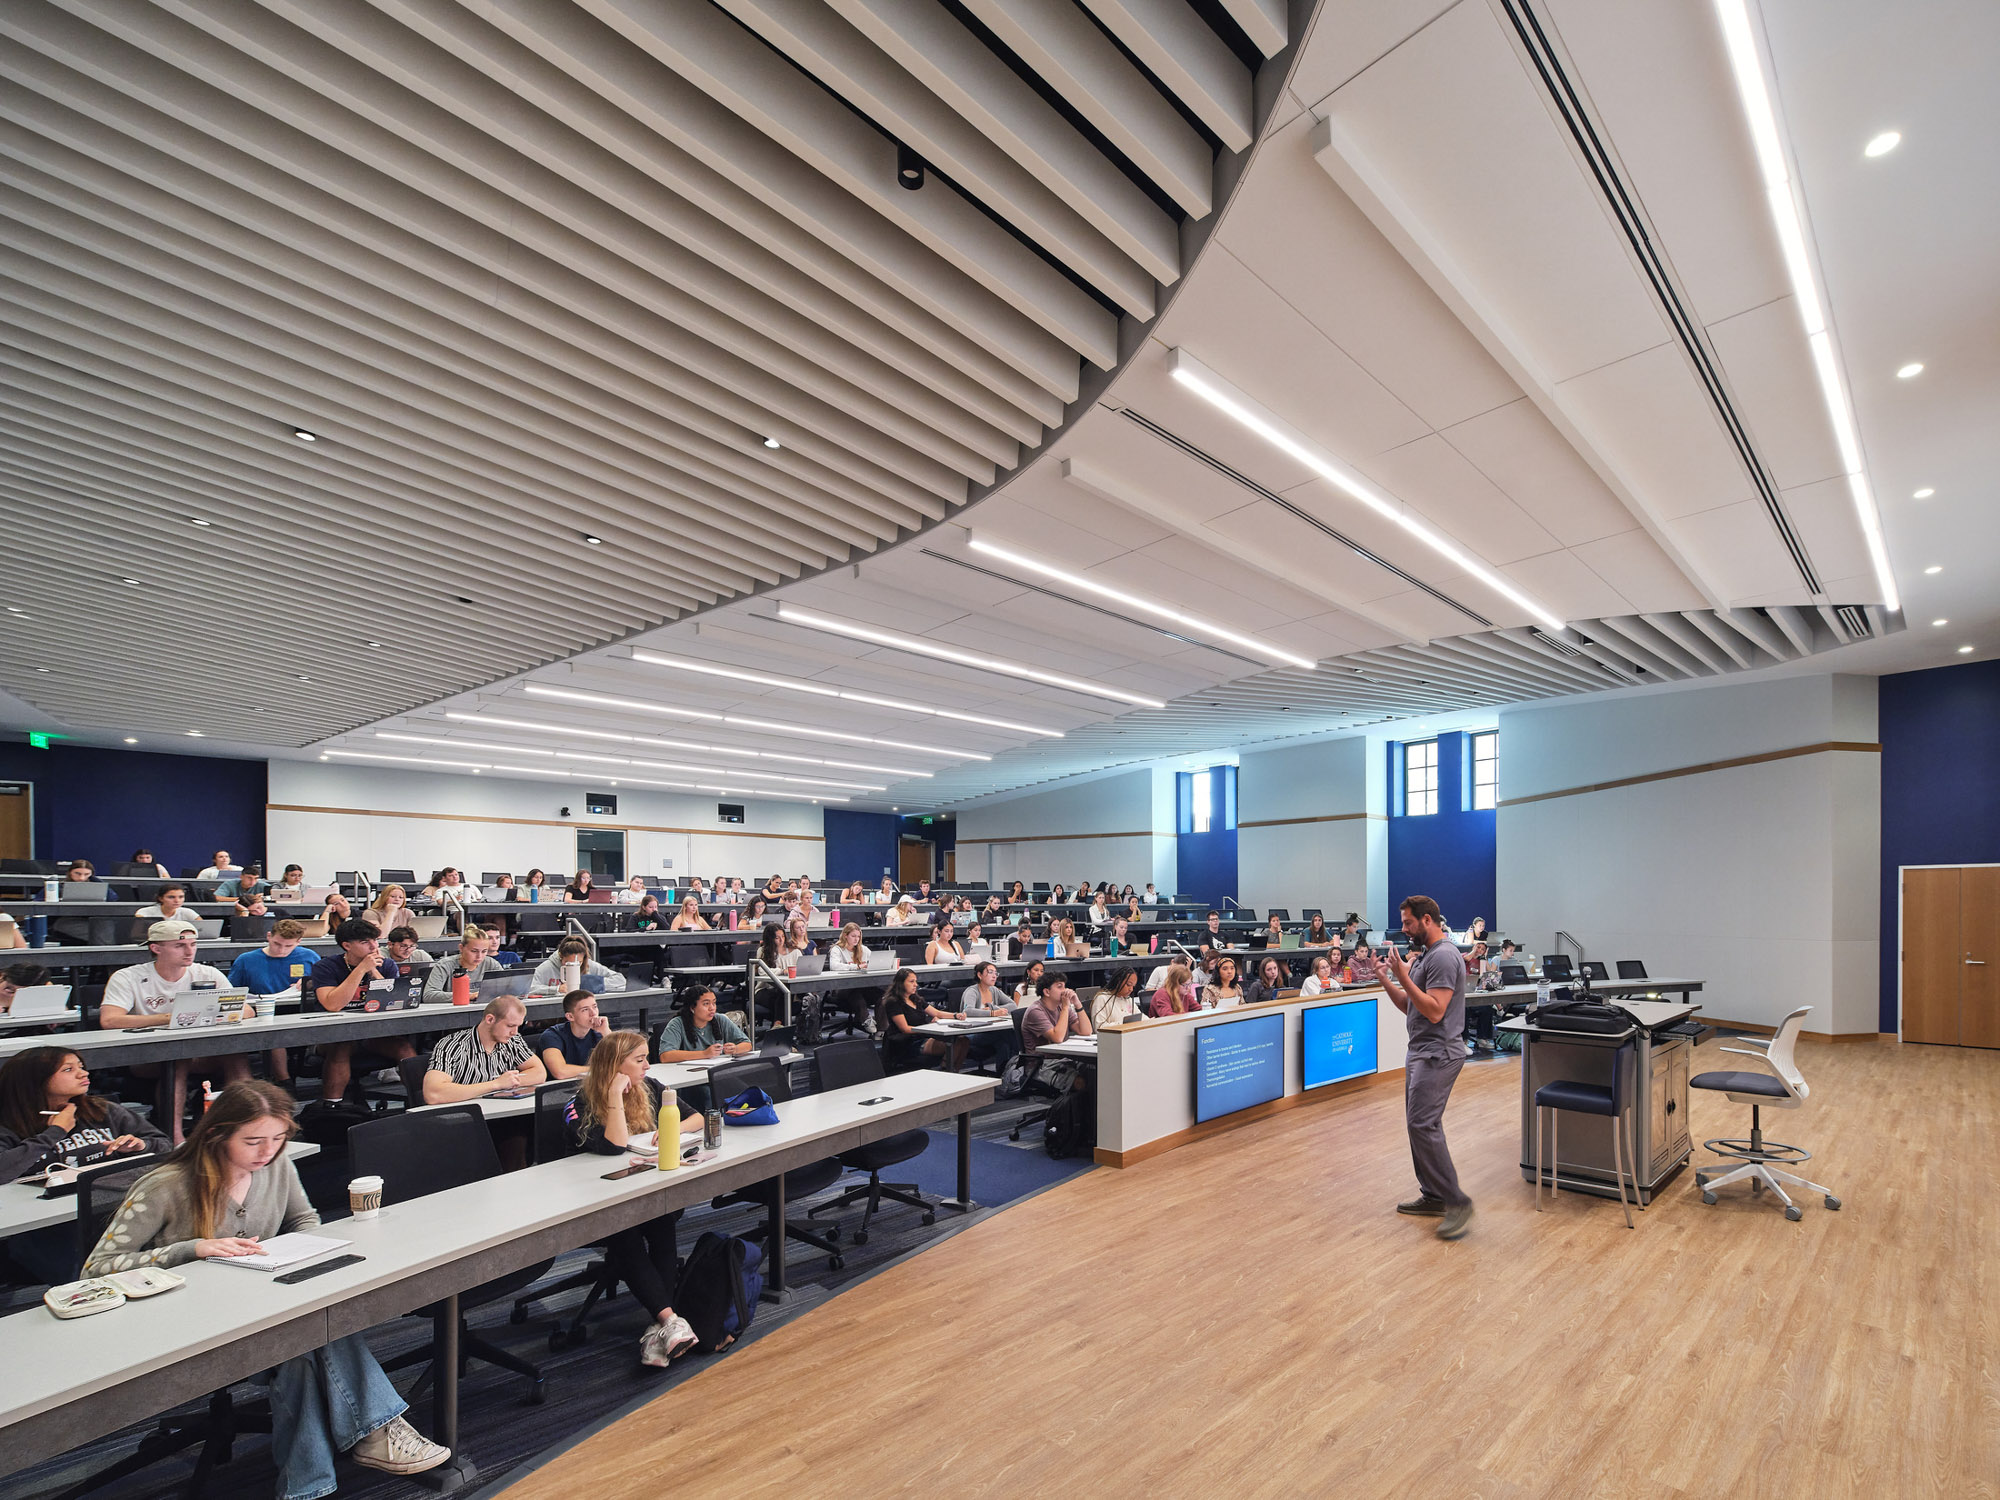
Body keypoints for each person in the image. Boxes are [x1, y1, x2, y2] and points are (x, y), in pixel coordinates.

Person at [83, 1082, 451, 1492]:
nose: (268, 1151)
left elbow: (305, 1221)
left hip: (259, 1304)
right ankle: (376, 1433)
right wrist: (193, 1248)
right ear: (217, 1134)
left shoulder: (275, 1167)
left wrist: (303, 1250)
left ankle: (310, 1486)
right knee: (309, 1337)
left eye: (278, 1139)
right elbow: (95, 1270)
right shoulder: (165, 1186)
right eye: (254, 1141)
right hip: (185, 1321)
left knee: (302, 1344)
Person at [567, 1032, 702, 1365]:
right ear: (615, 1065)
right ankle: (670, 1322)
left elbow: (697, 1117)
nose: (647, 1065)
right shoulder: (580, 1103)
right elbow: (613, 1145)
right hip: (597, 1200)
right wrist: (614, 1093)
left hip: (642, 1184)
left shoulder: (650, 1086)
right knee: (624, 1230)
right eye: (639, 1060)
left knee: (661, 1217)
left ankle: (663, 1325)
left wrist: (676, 1129)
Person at [0, 1046, 172, 1285]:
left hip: (109, 1209)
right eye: (69, 1069)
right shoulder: (10, 1123)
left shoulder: (101, 1110)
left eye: (81, 1067)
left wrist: (141, 1145)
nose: (84, 1074)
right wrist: (55, 1132)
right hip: (47, 1226)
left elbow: (165, 1145)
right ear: (35, 1081)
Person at [102, 919, 253, 1143]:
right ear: (156, 948)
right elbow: (110, 1019)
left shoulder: (207, 973)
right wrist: (169, 1018)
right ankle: (175, 1138)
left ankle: (246, 1126)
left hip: (201, 1051)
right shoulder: (127, 977)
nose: (189, 951)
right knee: (177, 1059)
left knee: (235, 1056)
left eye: (193, 944)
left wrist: (209, 1014)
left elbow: (247, 1011)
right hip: (147, 1055)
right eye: (180, 945)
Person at [1378, 894, 1473, 1241]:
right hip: (1420, 1050)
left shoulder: (1445, 956)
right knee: (1417, 1125)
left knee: (1424, 1124)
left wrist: (1403, 974)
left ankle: (1457, 1201)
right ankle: (1433, 1195)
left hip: (1438, 1053)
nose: (1403, 928)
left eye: (1408, 922)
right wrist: (1388, 979)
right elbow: (1411, 1006)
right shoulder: (1426, 957)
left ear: (1427, 920)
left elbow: (1435, 1011)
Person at [423, 996, 546, 1170]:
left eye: (519, 1026)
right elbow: (433, 1093)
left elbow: (539, 1072)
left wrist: (511, 1081)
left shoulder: (512, 1041)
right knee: (515, 1135)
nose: (515, 1032)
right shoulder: (452, 1045)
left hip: (502, 1115)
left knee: (528, 1128)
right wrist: (496, 1084)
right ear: (490, 1019)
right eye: (510, 1026)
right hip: (463, 1123)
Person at [306, 918, 418, 1107]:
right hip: (331, 1034)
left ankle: (421, 1100)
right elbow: (332, 1004)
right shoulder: (325, 967)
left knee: (403, 1048)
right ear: (347, 945)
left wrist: (374, 972)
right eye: (365, 942)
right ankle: (332, 1107)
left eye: (375, 940)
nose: (373, 946)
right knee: (341, 1046)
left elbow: (392, 1001)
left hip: (373, 1034)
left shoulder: (387, 965)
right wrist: (361, 969)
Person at [877, 968, 946, 1072]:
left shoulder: (916, 999)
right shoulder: (893, 1002)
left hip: (922, 1037)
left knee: (962, 1041)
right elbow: (905, 1029)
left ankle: (949, 1070)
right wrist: (928, 1027)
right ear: (901, 983)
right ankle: (946, 1070)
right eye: (911, 981)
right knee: (950, 1045)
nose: (916, 985)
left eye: (916, 981)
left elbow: (937, 1013)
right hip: (907, 1042)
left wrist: (956, 1016)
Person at [658, 986, 752, 1062]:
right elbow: (666, 1056)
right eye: (706, 1004)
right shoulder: (677, 1024)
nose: (712, 1008)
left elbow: (747, 1044)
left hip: (717, 1073)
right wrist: (704, 1054)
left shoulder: (720, 1019)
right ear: (692, 1007)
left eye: (714, 1003)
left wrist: (735, 1049)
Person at [538, 989, 610, 1079]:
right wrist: (598, 1069)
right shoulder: (552, 1035)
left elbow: (623, 1062)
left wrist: (607, 1033)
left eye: (594, 1007)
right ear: (570, 1016)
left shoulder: (599, 1033)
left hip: (587, 1086)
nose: (593, 1013)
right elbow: (560, 1072)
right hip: (556, 1089)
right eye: (585, 1010)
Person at [423, 926, 503, 1001]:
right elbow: (428, 995)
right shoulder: (445, 965)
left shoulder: (492, 964)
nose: (479, 956)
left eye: (484, 951)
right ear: (461, 948)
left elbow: (506, 990)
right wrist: (468, 996)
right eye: (474, 951)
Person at [1021, 973, 1092, 1053]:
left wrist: (1077, 1003)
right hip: (1042, 1062)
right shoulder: (1035, 1011)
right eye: (1059, 987)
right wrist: (1065, 1007)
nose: (1065, 990)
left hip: (1062, 1058)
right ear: (1047, 992)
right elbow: (1057, 1038)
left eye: (1064, 987)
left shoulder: (1062, 1007)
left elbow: (1086, 1032)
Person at [531, 936, 627, 992]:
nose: (575, 965)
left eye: (579, 963)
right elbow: (529, 988)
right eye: (568, 963)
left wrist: (592, 984)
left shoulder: (589, 964)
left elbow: (620, 979)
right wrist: (556, 989)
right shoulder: (547, 967)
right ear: (561, 956)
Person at [133, 883, 201, 927]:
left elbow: (203, 929)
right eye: (171, 897)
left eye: (181, 897)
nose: (177, 901)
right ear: (161, 898)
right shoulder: (144, 912)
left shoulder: (188, 912)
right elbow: (136, 935)